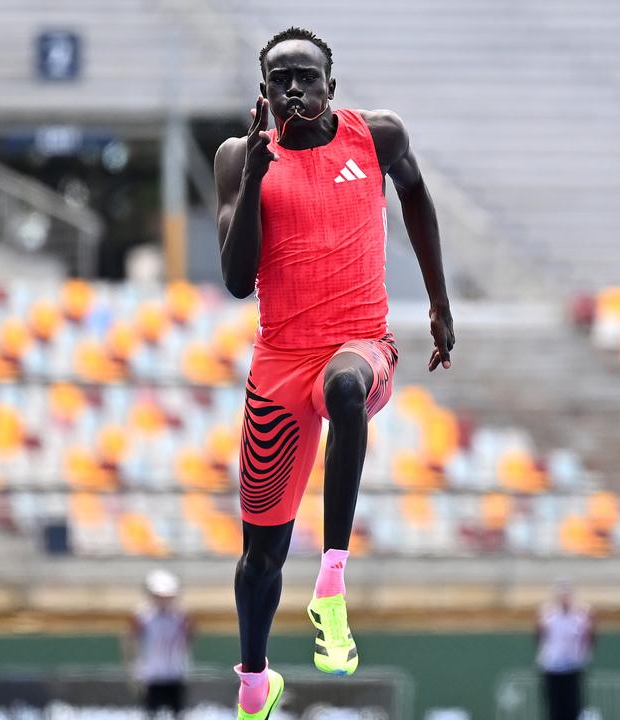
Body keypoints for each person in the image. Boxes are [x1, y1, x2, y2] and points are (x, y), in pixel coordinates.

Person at [213, 26, 454, 719]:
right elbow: (235, 281)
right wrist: (259, 172)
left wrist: (438, 305)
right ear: (263, 93)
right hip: (280, 365)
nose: (294, 89)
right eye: (280, 79)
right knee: (259, 557)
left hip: (359, 344)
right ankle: (255, 680)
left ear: (331, 87)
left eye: (306, 77)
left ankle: (332, 586)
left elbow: (416, 198)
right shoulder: (239, 157)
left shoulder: (375, 138)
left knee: (348, 389)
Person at [122, 569, 195, 718]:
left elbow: (188, 640)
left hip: (175, 673)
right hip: (151, 675)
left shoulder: (181, 616)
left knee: (178, 713)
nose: (163, 600)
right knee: (150, 714)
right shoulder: (143, 617)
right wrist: (132, 671)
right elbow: (130, 642)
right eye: (159, 596)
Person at [535, 580, 595, 720]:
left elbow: (588, 638)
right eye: (562, 597)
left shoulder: (580, 617)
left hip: (572, 667)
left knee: (572, 707)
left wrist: (584, 654)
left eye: (567, 596)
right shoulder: (549, 616)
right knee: (555, 709)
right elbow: (540, 637)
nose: (565, 600)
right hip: (553, 667)